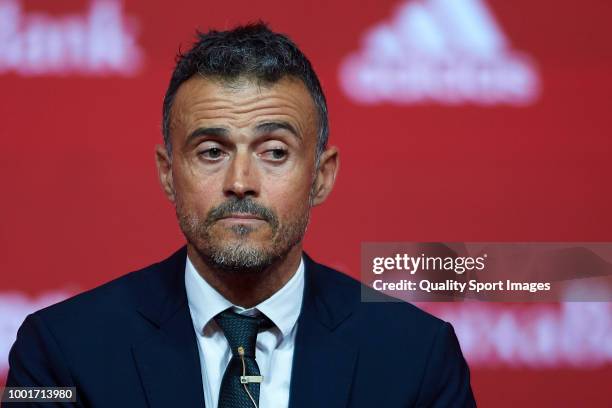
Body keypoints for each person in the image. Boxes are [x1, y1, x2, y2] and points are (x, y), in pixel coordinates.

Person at [4, 22, 476, 407]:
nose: (240, 181)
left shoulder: (417, 357)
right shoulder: (59, 350)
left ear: (322, 176)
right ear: (168, 174)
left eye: (274, 151)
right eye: (211, 151)